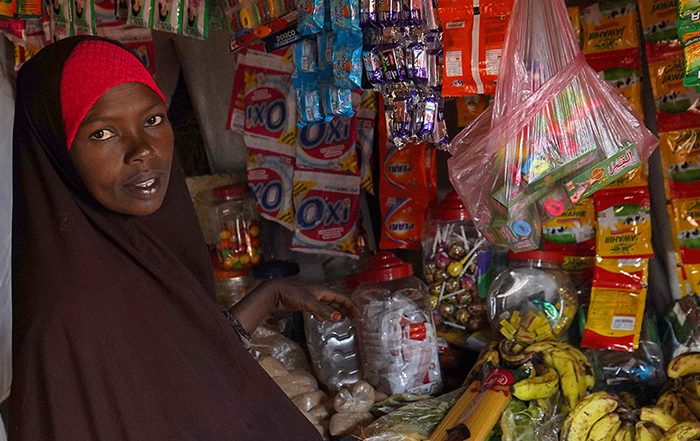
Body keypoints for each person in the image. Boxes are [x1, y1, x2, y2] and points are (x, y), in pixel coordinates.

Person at [11, 35, 357, 440]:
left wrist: (268, 295)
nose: (142, 150)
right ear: (56, 152)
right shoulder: (69, 322)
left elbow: (172, 371)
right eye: (102, 133)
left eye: (153, 119)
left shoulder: (131, 248)